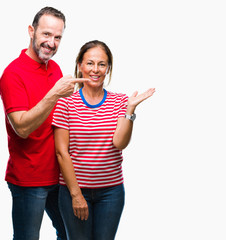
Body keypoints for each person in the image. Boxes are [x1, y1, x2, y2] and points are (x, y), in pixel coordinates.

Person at [0, 7, 88, 240]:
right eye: (46, 34)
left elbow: (62, 118)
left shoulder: (55, 69)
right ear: (31, 31)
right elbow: (22, 128)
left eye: (57, 37)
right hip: (29, 179)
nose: (51, 42)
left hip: (58, 176)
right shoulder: (13, 74)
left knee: (71, 234)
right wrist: (54, 93)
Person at [52, 40, 155, 240]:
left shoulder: (120, 101)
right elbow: (61, 152)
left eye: (102, 64)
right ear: (80, 65)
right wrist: (76, 195)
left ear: (108, 68)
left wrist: (130, 112)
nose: (95, 70)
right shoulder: (65, 103)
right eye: (90, 63)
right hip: (73, 191)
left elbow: (120, 143)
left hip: (111, 193)